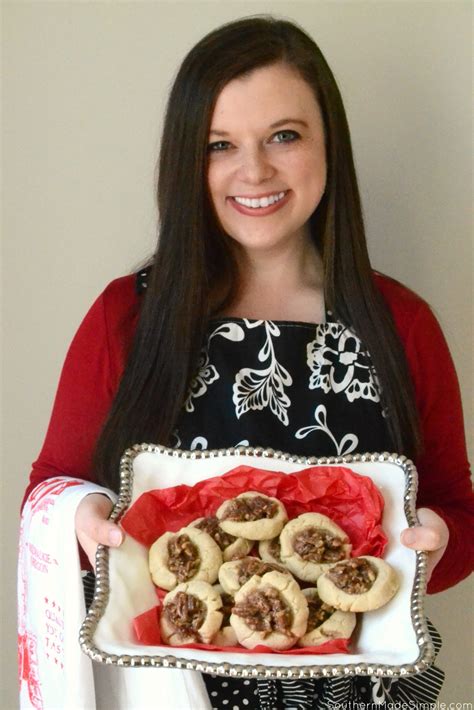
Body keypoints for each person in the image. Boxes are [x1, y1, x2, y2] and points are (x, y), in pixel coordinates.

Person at [23, 15, 473, 710]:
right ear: (185, 161)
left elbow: (458, 516)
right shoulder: (126, 318)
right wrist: (83, 520)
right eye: (219, 145)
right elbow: (51, 485)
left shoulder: (401, 324)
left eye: (284, 136)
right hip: (164, 691)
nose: (254, 170)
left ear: (330, 145)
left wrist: (436, 541)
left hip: (360, 693)